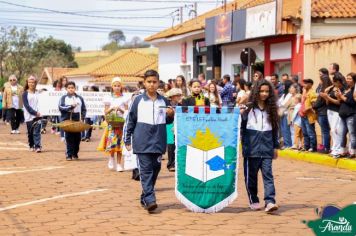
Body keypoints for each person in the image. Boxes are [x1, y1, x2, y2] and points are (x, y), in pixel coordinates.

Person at [124, 70, 174, 212]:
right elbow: (130, 120)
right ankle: (151, 200)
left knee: (155, 169)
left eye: (154, 82)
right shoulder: (137, 100)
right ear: (144, 83)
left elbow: (168, 120)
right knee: (146, 171)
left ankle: (145, 196)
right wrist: (127, 138)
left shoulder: (164, 101)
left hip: (158, 141)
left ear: (158, 83)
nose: (152, 85)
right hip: (142, 141)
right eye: (149, 82)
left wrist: (171, 115)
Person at [240, 79, 279, 213]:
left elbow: (275, 129)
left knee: (268, 175)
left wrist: (275, 147)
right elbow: (240, 127)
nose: (264, 94)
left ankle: (270, 202)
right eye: (261, 91)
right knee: (251, 177)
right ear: (256, 91)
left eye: (267, 91)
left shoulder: (272, 109)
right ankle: (254, 199)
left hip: (267, 148)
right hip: (251, 149)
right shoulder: (248, 109)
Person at [98, 77, 129, 171]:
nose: (117, 87)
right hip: (111, 124)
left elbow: (127, 112)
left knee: (120, 144)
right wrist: (111, 109)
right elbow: (105, 112)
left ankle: (119, 164)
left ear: (121, 86)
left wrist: (120, 109)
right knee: (111, 142)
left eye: (118, 86)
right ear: (112, 87)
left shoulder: (125, 98)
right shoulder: (108, 98)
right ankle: (111, 158)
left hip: (121, 124)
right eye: (115, 86)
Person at [58, 81, 87, 161]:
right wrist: (70, 107)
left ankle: (75, 153)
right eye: (69, 88)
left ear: (75, 88)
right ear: (66, 89)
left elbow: (84, 109)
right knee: (69, 137)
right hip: (67, 119)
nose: (71, 89)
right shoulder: (64, 98)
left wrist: (82, 117)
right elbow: (61, 107)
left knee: (77, 138)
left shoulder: (80, 98)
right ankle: (69, 154)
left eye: (72, 88)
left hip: (77, 119)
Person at [320, 73, 346, 158]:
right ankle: (334, 148)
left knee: (335, 130)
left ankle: (338, 149)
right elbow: (327, 102)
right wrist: (325, 96)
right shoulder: (331, 88)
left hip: (337, 111)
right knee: (332, 130)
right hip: (329, 110)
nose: (337, 83)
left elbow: (338, 102)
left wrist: (327, 97)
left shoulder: (341, 89)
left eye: (338, 82)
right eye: (335, 82)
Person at [336, 73, 356, 158]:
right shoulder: (347, 89)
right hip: (343, 115)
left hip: (350, 114)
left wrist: (341, 96)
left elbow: (352, 102)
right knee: (341, 133)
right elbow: (341, 101)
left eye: (350, 79)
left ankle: (353, 152)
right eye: (347, 78)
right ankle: (343, 151)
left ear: (354, 80)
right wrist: (339, 96)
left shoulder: (354, 90)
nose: (347, 80)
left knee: (352, 133)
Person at [313, 68, 332, 153]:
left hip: (323, 111)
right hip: (320, 111)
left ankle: (326, 147)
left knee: (325, 130)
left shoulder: (327, 88)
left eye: (321, 75)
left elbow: (321, 100)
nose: (319, 76)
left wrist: (314, 106)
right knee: (324, 130)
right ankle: (324, 146)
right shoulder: (321, 86)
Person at [22, 75, 42, 153]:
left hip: (38, 115)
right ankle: (31, 145)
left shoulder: (38, 92)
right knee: (30, 132)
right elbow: (27, 106)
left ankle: (37, 146)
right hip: (29, 115)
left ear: (35, 83)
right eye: (30, 82)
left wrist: (39, 113)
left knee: (37, 132)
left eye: (33, 82)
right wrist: (34, 112)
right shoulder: (25, 94)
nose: (31, 83)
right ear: (27, 83)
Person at [165, 88, 183, 172]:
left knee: (177, 144)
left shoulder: (181, 105)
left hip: (178, 125)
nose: (179, 97)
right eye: (177, 95)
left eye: (180, 95)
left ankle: (176, 163)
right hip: (169, 125)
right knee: (171, 145)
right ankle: (170, 164)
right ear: (172, 96)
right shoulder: (167, 104)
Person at [299, 79, 318, 152]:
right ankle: (306, 146)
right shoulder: (305, 92)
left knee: (310, 132)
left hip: (309, 115)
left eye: (306, 83)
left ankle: (313, 147)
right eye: (304, 83)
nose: (304, 85)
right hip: (303, 115)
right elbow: (302, 103)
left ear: (310, 84)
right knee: (304, 132)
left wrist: (306, 109)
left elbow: (314, 105)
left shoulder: (312, 93)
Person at [278, 80, 294, 148]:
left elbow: (285, 104)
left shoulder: (290, 95)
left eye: (284, 85)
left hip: (287, 115)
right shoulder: (284, 95)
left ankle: (288, 144)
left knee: (286, 130)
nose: (283, 87)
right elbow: (279, 103)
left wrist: (280, 105)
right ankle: (285, 143)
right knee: (283, 129)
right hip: (282, 114)